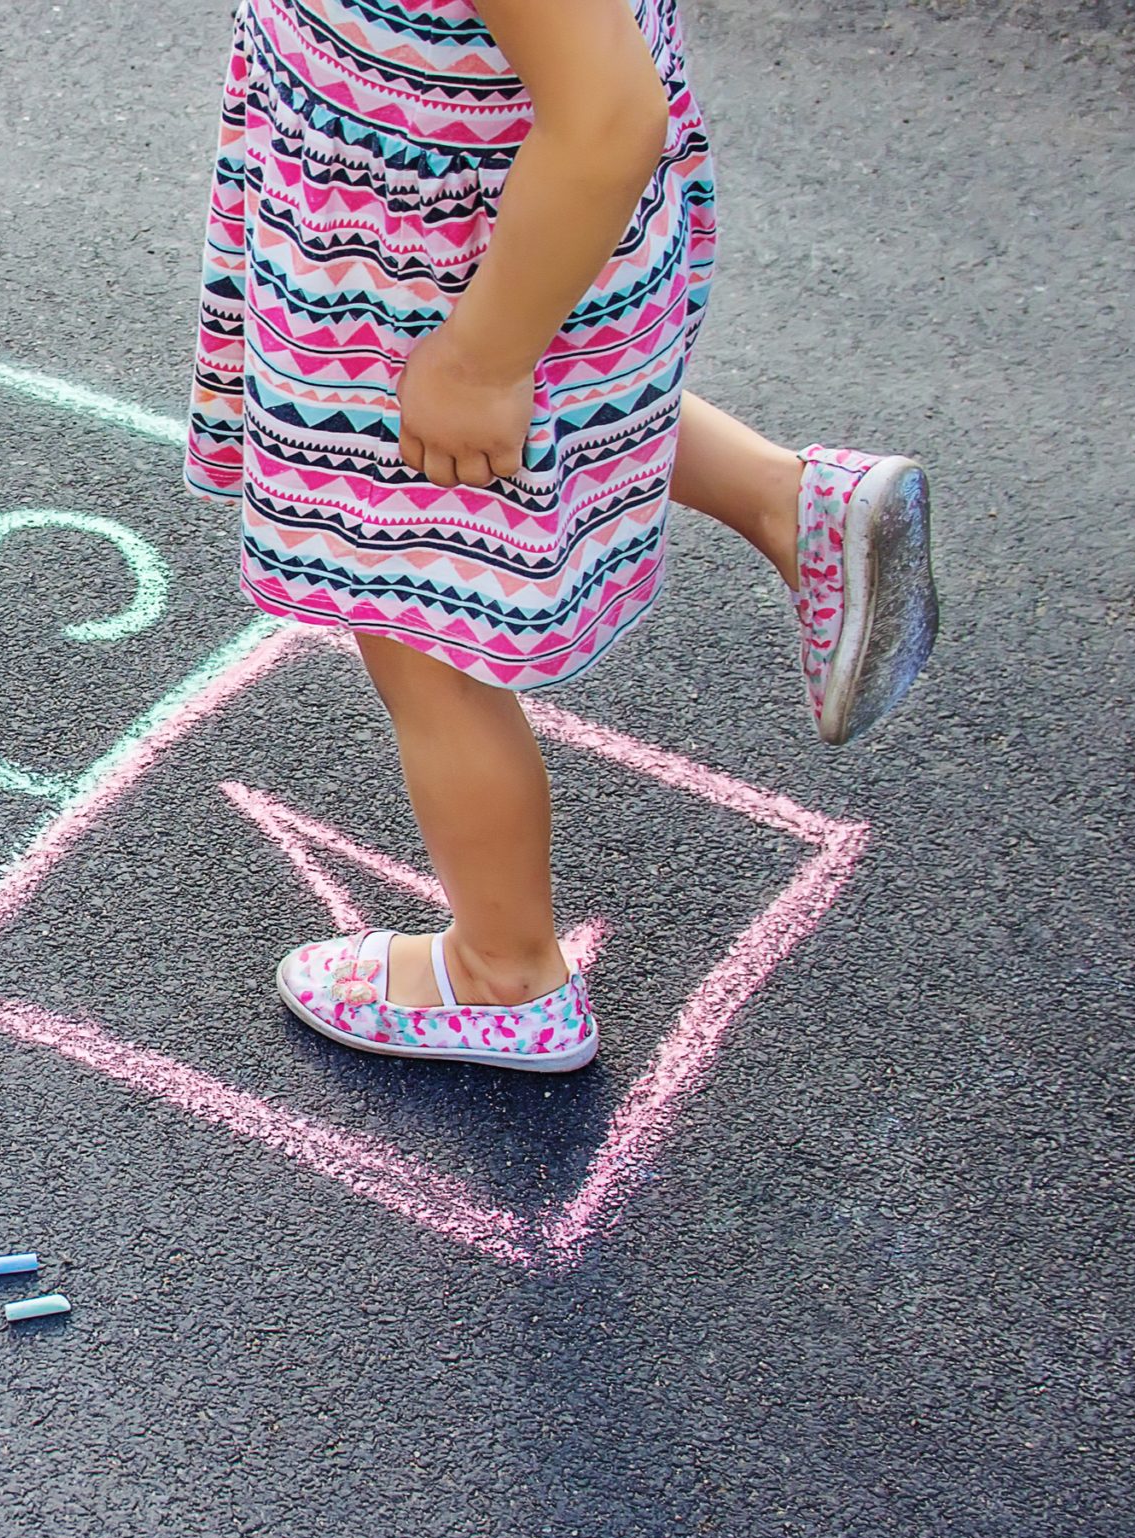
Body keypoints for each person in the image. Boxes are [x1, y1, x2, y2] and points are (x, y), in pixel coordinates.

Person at [188, 0, 936, 1072]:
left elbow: (603, 119)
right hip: (468, 231)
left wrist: (479, 360)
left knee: (420, 632)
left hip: (446, 278)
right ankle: (789, 503)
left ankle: (503, 974)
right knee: (562, 425)